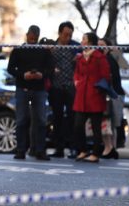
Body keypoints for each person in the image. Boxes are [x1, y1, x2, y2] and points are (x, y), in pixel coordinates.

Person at [7, 25, 54, 161]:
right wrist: (23, 75)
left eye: (35, 37)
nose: (33, 39)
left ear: (38, 37)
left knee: (41, 120)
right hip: (23, 88)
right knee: (21, 120)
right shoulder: (19, 50)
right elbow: (10, 68)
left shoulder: (44, 51)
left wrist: (41, 75)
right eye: (31, 36)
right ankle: (21, 150)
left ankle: (39, 150)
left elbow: (51, 69)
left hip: (39, 89)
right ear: (27, 35)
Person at [72, 32, 111, 163]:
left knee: (96, 127)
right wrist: (76, 82)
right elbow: (77, 73)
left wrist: (98, 88)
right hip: (81, 94)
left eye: (84, 39)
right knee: (78, 125)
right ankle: (83, 150)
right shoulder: (80, 57)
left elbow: (105, 75)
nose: (81, 41)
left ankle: (95, 153)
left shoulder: (99, 57)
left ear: (89, 42)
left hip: (95, 96)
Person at [48, 21, 80, 158]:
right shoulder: (51, 47)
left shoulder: (76, 47)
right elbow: (45, 63)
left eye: (70, 35)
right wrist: (51, 69)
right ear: (59, 33)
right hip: (56, 88)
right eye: (66, 35)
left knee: (72, 118)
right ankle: (59, 148)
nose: (68, 38)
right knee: (57, 118)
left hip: (71, 87)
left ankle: (73, 148)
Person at [98, 37, 125, 159]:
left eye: (102, 45)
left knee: (109, 122)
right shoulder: (108, 59)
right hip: (113, 94)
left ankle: (109, 148)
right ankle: (111, 148)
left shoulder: (108, 60)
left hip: (112, 95)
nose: (99, 47)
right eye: (97, 45)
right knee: (111, 123)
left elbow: (109, 79)